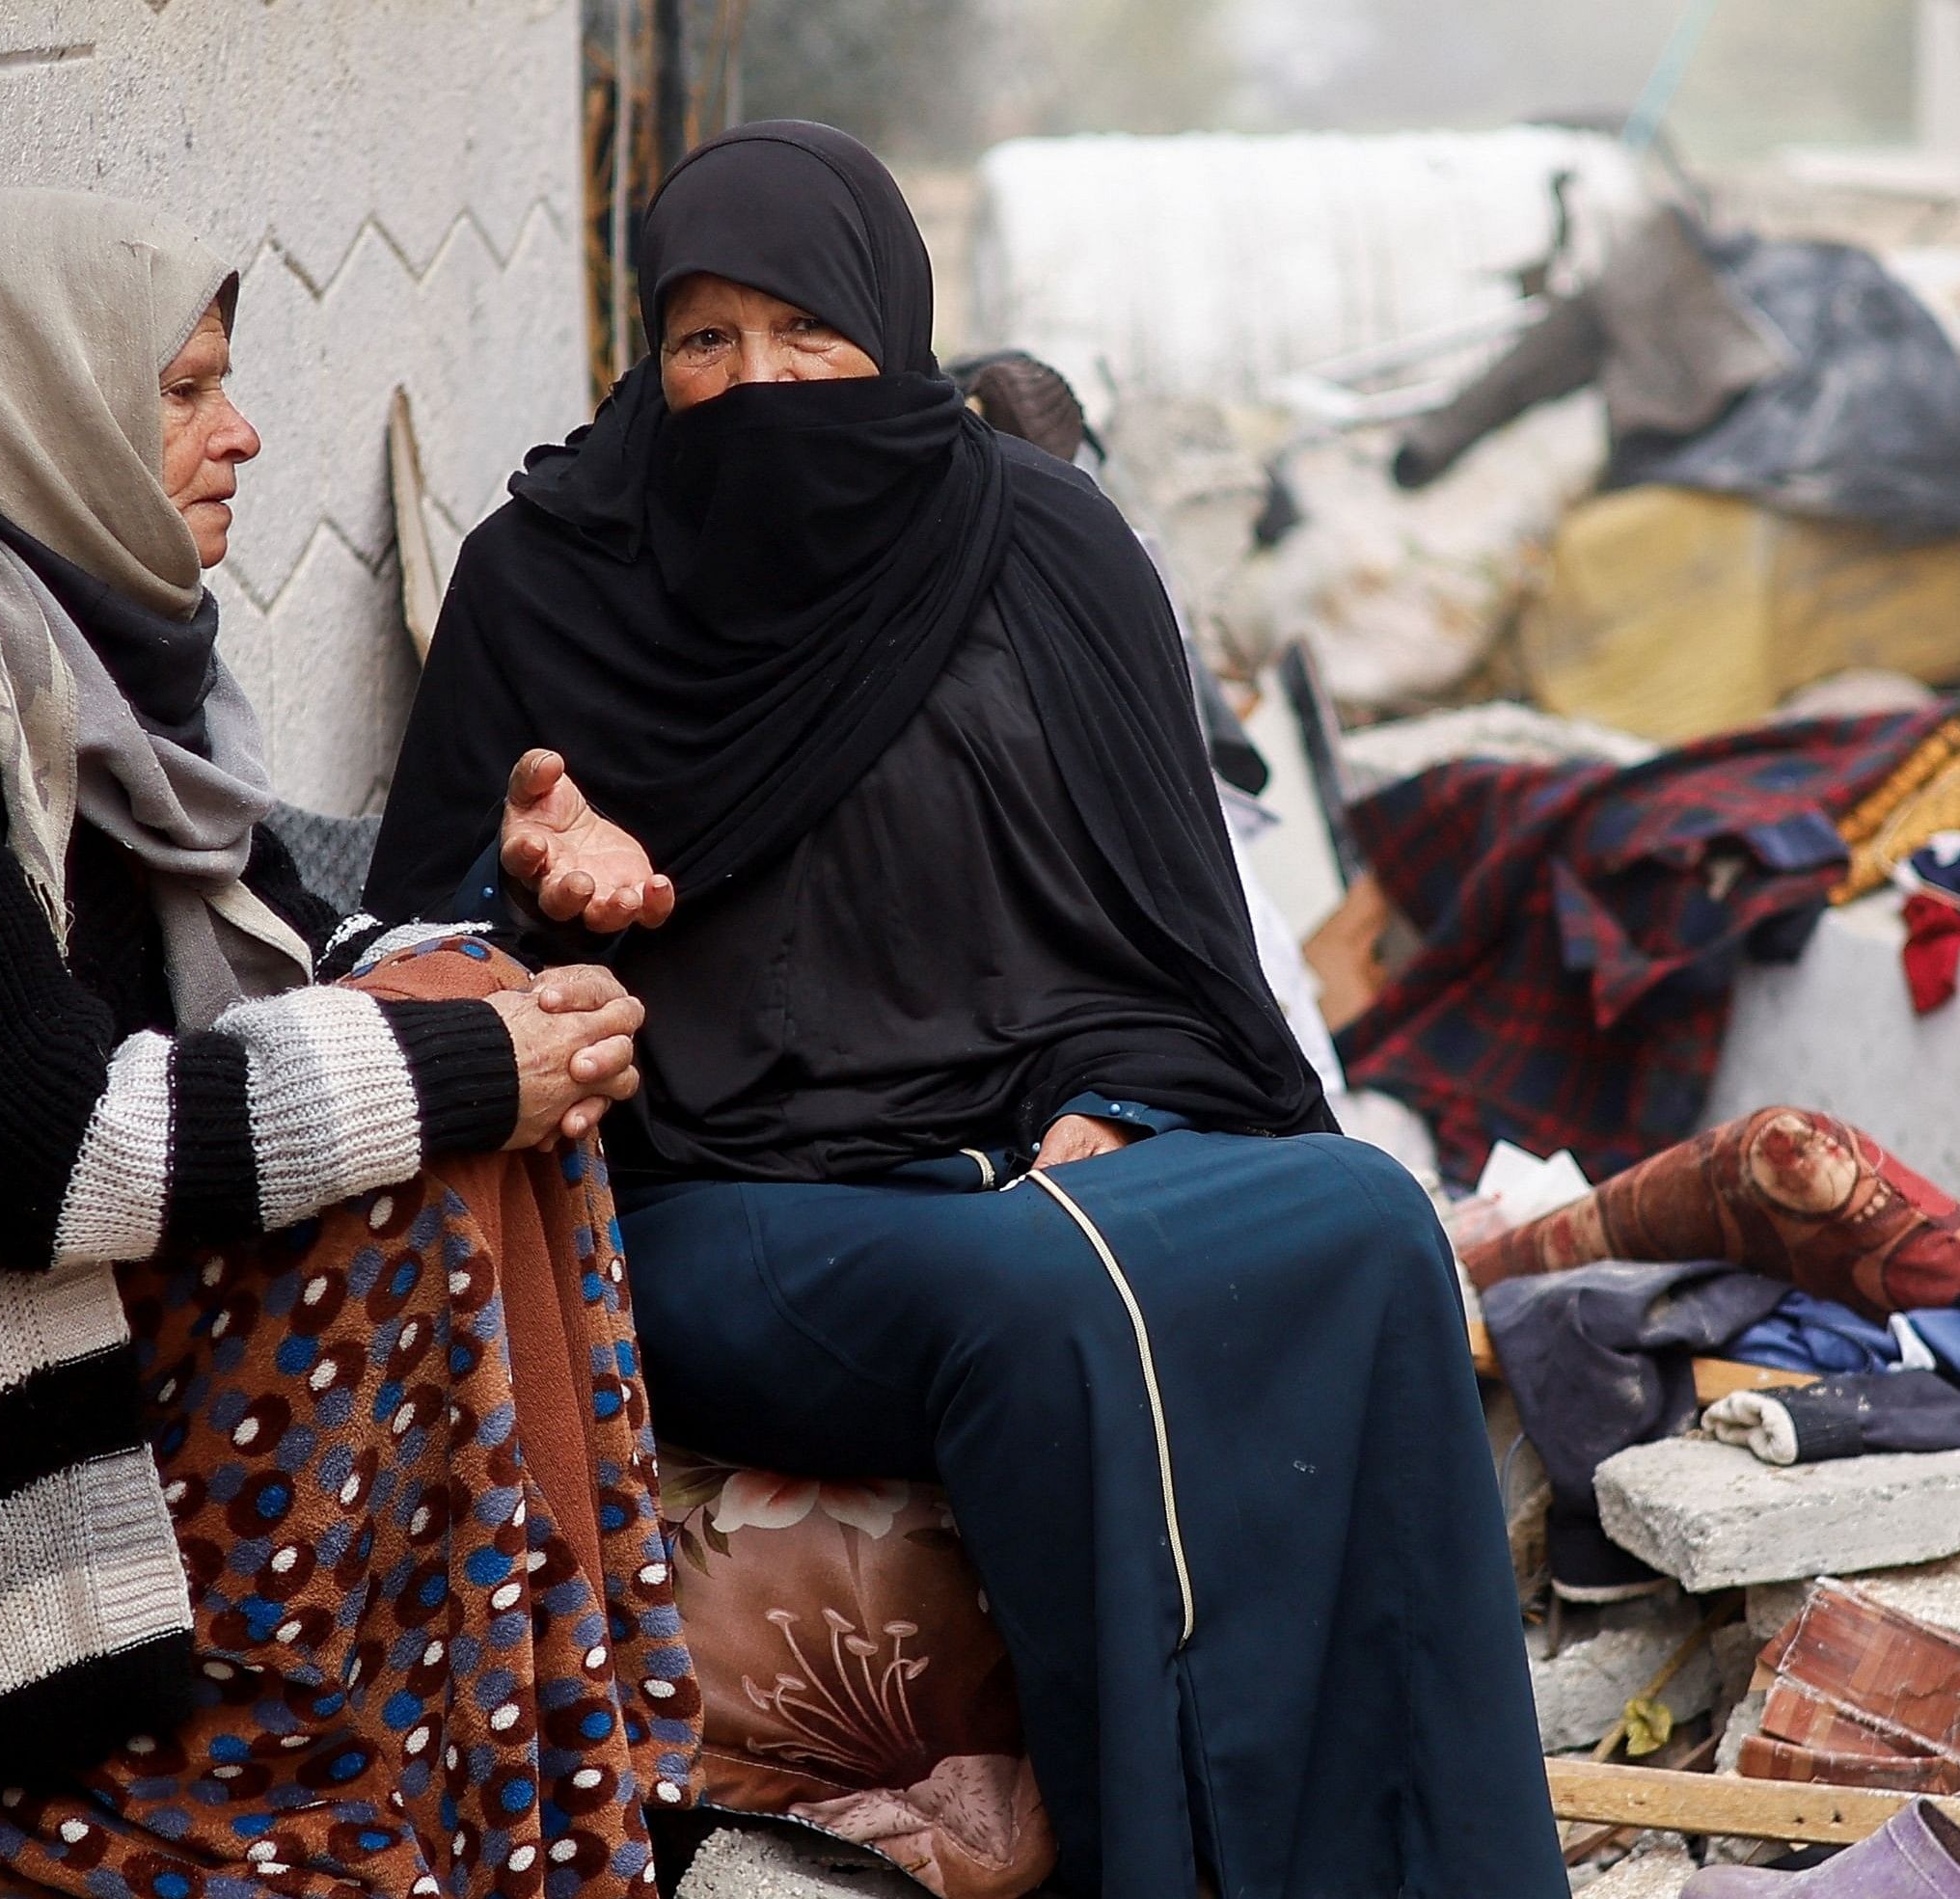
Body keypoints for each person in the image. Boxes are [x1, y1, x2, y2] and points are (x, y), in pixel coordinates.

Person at [368, 121, 1564, 1898]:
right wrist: (527, 880)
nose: (756, 383)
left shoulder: (1050, 550)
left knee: (1372, 1222)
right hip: (721, 1204)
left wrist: (1124, 1110)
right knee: (1049, 1296)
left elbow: (1173, 936)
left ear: (894, 333)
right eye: (706, 340)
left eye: (806, 335)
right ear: (646, 352)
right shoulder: (553, 576)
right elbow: (401, 961)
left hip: (1050, 1151)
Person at [0, 190, 697, 1899]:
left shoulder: (64, 634)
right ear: (32, 404)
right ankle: (202, 1777)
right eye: (185, 391)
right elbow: (46, 1150)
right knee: (415, 1167)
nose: (242, 433)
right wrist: (473, 1058)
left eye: (227, 383)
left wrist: (523, 955)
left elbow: (284, 948)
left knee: (478, 1084)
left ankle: (542, 1773)